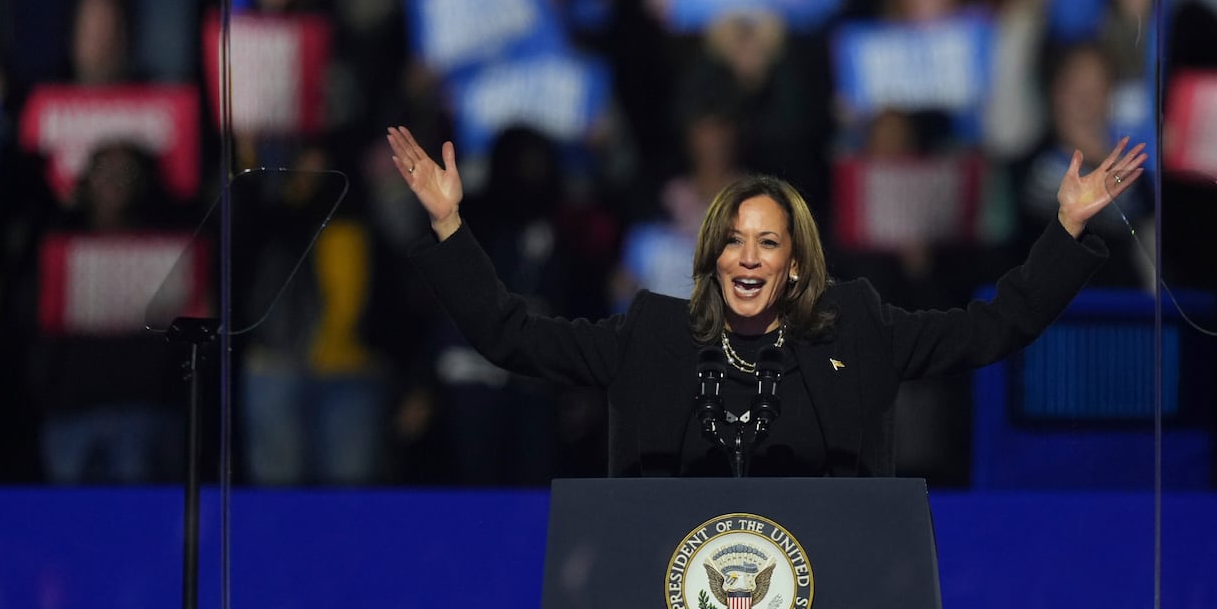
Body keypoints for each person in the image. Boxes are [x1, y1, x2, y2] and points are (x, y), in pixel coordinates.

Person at [385, 124, 1146, 477]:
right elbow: (512, 336)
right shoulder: (651, 334)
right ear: (712, 254)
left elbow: (994, 327)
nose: (749, 256)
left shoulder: (859, 328)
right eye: (734, 240)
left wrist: (1067, 228)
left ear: (794, 263)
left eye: (768, 242)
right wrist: (451, 226)